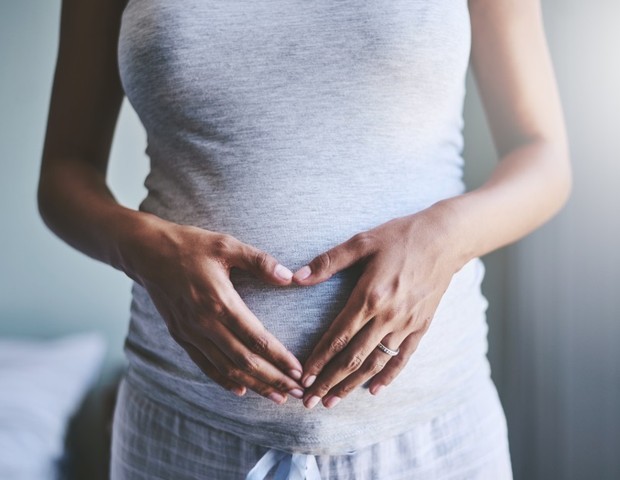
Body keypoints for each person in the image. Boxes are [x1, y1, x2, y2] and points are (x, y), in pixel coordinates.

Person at [38, 0, 571, 478]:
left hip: (430, 435)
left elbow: (542, 156)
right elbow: (64, 172)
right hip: (184, 430)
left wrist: (444, 237)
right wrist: (145, 249)